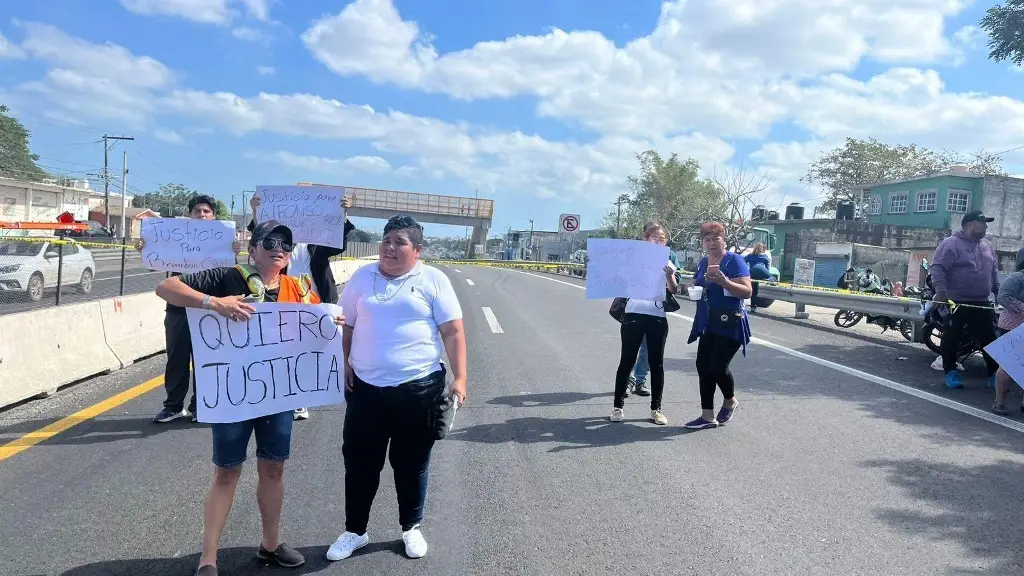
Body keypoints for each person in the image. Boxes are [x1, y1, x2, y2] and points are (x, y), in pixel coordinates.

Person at [155, 220, 337, 576]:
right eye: (269, 241)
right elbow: (166, 286)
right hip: (232, 397)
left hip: (277, 397)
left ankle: (270, 545)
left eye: (285, 242)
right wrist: (213, 303)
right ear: (252, 249)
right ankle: (208, 558)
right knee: (226, 472)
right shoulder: (226, 277)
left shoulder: (297, 288)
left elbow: (320, 325)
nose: (278, 247)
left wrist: (334, 321)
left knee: (274, 467)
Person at [326, 214, 467, 562]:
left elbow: (452, 331)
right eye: (386, 240)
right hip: (365, 389)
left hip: (419, 390)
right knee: (360, 464)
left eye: (400, 242)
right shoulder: (362, 277)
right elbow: (346, 326)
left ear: (416, 251)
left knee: (412, 463)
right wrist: (343, 363)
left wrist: (460, 378)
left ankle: (411, 527)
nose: (390, 248)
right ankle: (355, 531)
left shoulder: (433, 280)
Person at [248, 194, 356, 421]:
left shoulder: (319, 243)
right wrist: (257, 212)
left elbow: (339, 242)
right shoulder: (279, 246)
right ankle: (279, 395)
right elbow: (258, 237)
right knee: (285, 352)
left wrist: (343, 214)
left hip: (316, 306)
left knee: (309, 353)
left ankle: (300, 398)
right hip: (284, 302)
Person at [141, 195, 241, 424]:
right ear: (190, 215)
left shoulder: (224, 239)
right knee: (176, 356)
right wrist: (146, 248)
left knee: (205, 358)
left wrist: (234, 251)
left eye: (207, 211)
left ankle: (200, 405)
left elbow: (231, 269)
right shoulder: (175, 237)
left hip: (210, 308)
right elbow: (154, 263)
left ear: (214, 216)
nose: (202, 215)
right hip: (179, 306)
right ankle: (173, 406)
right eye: (197, 211)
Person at [685, 221, 753, 430]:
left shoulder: (735, 261)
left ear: (725, 240)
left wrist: (726, 283)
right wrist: (692, 286)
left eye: (716, 238)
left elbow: (747, 291)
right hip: (708, 321)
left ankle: (730, 400)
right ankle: (707, 416)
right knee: (703, 367)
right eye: (707, 239)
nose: (712, 243)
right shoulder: (704, 262)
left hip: (730, 321)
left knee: (717, 367)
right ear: (702, 242)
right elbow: (700, 283)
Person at [610, 221, 677, 425]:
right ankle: (617, 407)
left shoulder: (667, 260)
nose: (658, 242)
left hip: (657, 316)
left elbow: (674, 290)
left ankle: (656, 409)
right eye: (654, 238)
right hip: (633, 315)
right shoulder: (632, 259)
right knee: (626, 361)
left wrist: (669, 276)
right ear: (645, 239)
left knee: (656, 364)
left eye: (662, 239)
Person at [931, 210, 1000, 389]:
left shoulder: (987, 245)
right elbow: (938, 268)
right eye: (983, 223)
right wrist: (941, 292)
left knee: (989, 339)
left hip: (983, 302)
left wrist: (997, 291)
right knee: (952, 337)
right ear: (971, 224)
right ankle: (951, 372)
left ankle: (994, 374)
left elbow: (993, 271)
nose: (986, 227)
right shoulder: (950, 244)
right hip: (956, 301)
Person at [993, 248, 1024, 415]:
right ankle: (999, 402)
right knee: (1007, 367)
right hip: (1012, 326)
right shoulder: (1017, 278)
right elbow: (1003, 296)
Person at [744, 243, 774, 312]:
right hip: (761, 269)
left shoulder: (750, 255)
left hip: (752, 271)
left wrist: (746, 270)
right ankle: (769, 280)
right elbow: (767, 268)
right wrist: (765, 275)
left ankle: (753, 308)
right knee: (772, 277)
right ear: (763, 249)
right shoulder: (765, 256)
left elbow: (743, 261)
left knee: (754, 291)